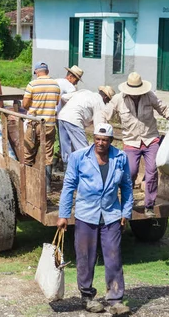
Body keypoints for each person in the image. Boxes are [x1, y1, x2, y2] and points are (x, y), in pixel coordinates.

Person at [57, 123, 132, 315]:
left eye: (105, 140)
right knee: (85, 257)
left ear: (110, 141)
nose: (100, 143)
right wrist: (63, 215)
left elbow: (126, 186)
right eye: (97, 139)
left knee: (113, 256)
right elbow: (68, 186)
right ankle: (87, 296)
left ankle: (115, 299)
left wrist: (126, 212)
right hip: (86, 214)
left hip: (111, 215)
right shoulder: (79, 157)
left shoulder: (120, 157)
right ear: (94, 139)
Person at [102, 72, 169, 218]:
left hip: (150, 139)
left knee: (152, 172)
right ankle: (127, 202)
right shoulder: (119, 99)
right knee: (130, 172)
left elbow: (162, 108)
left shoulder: (149, 96)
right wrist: (102, 130)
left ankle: (149, 205)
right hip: (131, 141)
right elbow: (105, 114)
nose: (136, 95)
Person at [22, 61, 61, 192]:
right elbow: (56, 102)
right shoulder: (56, 84)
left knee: (28, 152)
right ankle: (47, 186)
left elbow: (25, 104)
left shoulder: (32, 85)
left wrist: (34, 107)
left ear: (37, 72)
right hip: (49, 124)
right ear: (47, 71)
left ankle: (27, 182)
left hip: (35, 124)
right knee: (48, 154)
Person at [57, 86, 115, 164]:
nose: (107, 102)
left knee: (67, 149)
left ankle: (67, 169)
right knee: (83, 149)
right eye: (108, 100)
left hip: (62, 116)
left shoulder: (84, 92)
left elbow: (63, 97)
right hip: (74, 119)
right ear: (105, 97)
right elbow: (99, 126)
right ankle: (86, 169)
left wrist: (69, 108)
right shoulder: (99, 103)